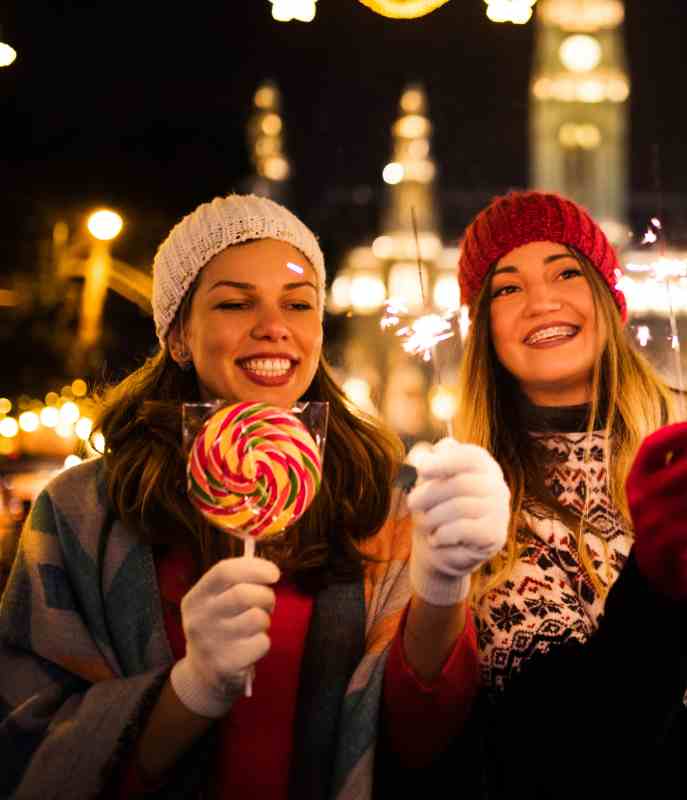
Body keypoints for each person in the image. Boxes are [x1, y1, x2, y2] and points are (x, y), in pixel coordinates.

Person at [0, 194, 510, 798]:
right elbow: (24, 751)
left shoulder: (386, 503)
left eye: (298, 304)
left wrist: (443, 589)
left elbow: (423, 740)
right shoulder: (80, 513)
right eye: (235, 303)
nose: (274, 326)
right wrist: (189, 691)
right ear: (179, 335)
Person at [449, 190, 687, 799]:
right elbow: (568, 746)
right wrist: (656, 583)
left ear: (611, 299)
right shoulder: (482, 498)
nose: (542, 300)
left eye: (566, 272)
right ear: (484, 330)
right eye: (507, 288)